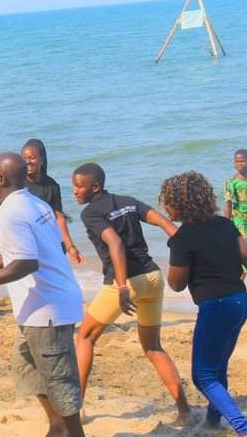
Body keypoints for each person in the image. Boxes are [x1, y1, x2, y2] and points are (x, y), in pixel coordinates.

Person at [71, 162, 190, 425]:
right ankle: (184, 410)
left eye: (79, 186)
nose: (74, 191)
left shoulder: (90, 213)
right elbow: (163, 222)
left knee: (85, 337)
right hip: (153, 277)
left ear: (95, 187)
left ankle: (75, 411)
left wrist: (122, 286)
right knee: (152, 345)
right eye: (73, 186)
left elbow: (115, 243)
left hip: (126, 282)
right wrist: (188, 249)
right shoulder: (127, 201)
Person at [0, 153, 85, 437]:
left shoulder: (11, 213)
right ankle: (56, 426)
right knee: (25, 367)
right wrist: (7, 259)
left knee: (61, 388)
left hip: (47, 311)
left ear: (1, 178)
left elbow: (28, 263)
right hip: (38, 308)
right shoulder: (34, 203)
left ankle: (69, 429)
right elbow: (45, 247)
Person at [161, 171, 247, 436]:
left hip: (215, 307)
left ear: (180, 202)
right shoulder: (226, 224)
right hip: (240, 302)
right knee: (218, 367)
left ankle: (244, 429)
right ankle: (214, 421)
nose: (165, 207)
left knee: (202, 376)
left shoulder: (182, 237)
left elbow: (176, 284)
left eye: (167, 201)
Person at [0, 139, 82, 264]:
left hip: (43, 239)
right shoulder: (15, 182)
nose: (28, 162)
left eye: (32, 157)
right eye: (24, 158)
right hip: (19, 236)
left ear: (42, 160)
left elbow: (58, 217)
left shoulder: (51, 185)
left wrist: (70, 246)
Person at [223, 148, 247, 276]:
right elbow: (228, 206)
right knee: (245, 258)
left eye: (242, 161)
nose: (239, 164)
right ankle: (236, 289)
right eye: (237, 161)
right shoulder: (231, 182)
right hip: (240, 224)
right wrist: (226, 225)